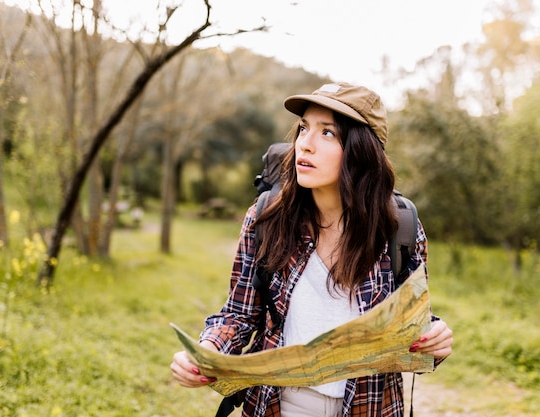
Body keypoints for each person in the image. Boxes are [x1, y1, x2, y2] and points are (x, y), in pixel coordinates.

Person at [171, 82, 453, 417]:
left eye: (328, 133)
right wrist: (204, 352)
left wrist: (435, 338)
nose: (305, 144)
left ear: (362, 150)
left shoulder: (399, 228)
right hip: (280, 405)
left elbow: (412, 325)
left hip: (371, 407)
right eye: (304, 129)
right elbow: (239, 313)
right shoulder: (267, 218)